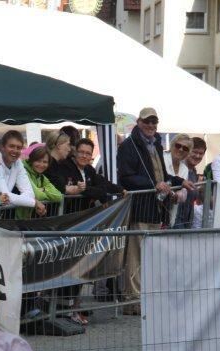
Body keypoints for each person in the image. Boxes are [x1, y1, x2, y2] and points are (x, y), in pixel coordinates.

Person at [116, 107, 193, 310]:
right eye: (147, 121)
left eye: (154, 122)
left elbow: (162, 176)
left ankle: (142, 296)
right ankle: (132, 301)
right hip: (139, 206)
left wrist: (179, 180)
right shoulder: (128, 146)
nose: (151, 125)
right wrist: (153, 185)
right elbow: (125, 177)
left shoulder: (156, 144)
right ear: (139, 122)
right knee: (135, 254)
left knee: (148, 255)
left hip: (155, 207)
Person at [57, 137, 122, 205]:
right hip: (69, 212)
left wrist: (120, 190)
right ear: (75, 152)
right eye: (81, 152)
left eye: (88, 153)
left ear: (91, 156)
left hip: (88, 212)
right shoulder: (65, 167)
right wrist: (95, 192)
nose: (84, 156)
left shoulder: (89, 169)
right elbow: (80, 188)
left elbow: (102, 183)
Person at [0, 130, 36, 211]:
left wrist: (30, 200)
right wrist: (33, 203)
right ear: (2, 147)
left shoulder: (18, 162)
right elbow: (4, 195)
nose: (15, 150)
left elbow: (30, 193)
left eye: (19, 148)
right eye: (11, 146)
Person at [21, 144, 63, 219]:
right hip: (15, 219)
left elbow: (59, 196)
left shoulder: (42, 177)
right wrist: (43, 193)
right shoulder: (23, 172)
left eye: (45, 162)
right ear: (32, 160)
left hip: (28, 220)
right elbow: (37, 195)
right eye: (38, 161)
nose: (41, 165)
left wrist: (43, 189)